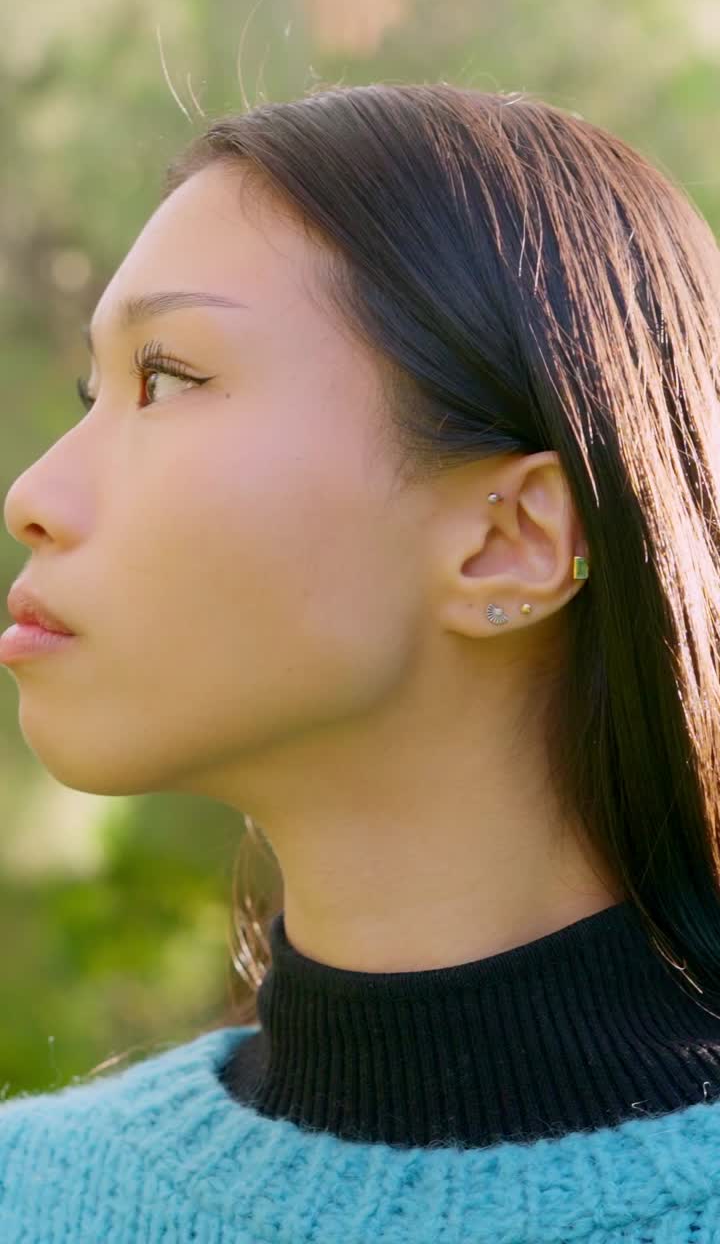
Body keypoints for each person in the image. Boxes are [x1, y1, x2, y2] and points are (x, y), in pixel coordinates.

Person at [1, 82, 720, 1242]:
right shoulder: (29, 1198)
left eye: (167, 378)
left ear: (507, 542)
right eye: (93, 392)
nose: (31, 495)